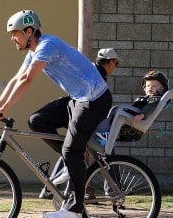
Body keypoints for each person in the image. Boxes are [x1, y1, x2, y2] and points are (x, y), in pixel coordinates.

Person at [0, 10, 113, 218]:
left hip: (94, 99)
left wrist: (3, 110)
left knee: (71, 151)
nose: (13, 38)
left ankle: (75, 211)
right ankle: (73, 162)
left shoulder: (47, 45)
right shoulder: (32, 52)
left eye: (15, 34)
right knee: (37, 120)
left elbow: (27, 79)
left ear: (29, 31)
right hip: (77, 99)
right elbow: (15, 80)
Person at [39, 48, 121, 198]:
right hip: (82, 112)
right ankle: (112, 190)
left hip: (76, 109)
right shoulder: (98, 76)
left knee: (70, 149)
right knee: (91, 150)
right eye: (116, 63)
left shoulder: (93, 70)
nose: (115, 67)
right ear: (109, 62)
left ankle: (49, 188)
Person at [95, 70, 169, 145]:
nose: (150, 88)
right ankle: (109, 133)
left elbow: (151, 106)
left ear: (161, 89)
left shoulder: (154, 98)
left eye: (154, 86)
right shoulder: (147, 98)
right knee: (115, 111)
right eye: (148, 86)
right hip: (133, 119)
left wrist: (142, 114)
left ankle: (110, 135)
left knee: (121, 115)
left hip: (136, 121)